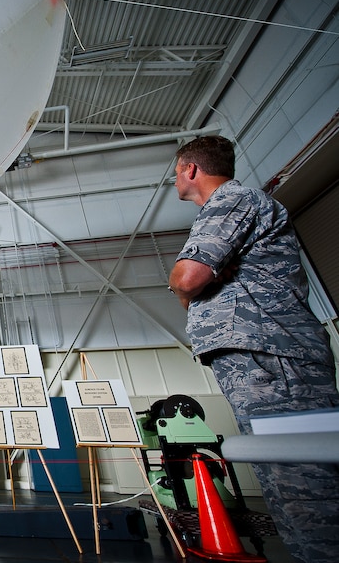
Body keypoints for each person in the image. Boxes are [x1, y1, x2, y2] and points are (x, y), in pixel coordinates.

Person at [168, 135, 339, 563]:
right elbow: (196, 283)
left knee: (304, 476)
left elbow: (186, 279)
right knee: (283, 472)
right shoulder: (231, 208)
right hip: (262, 355)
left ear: (190, 169)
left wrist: (191, 284)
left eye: (175, 172)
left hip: (274, 354)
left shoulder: (233, 201)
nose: (175, 180)